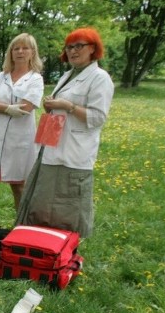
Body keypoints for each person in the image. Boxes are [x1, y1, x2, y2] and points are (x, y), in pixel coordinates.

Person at [19, 27, 114, 238]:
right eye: (69, 47)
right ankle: (42, 240)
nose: (73, 51)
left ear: (93, 49)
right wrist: (52, 106)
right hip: (52, 145)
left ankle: (64, 245)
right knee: (43, 200)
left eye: (79, 46)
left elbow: (98, 117)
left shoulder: (100, 78)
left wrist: (68, 106)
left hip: (74, 152)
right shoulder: (68, 75)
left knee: (67, 202)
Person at [0, 33, 45, 222]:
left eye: (25, 48)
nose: (20, 52)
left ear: (32, 52)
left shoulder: (35, 79)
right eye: (16, 48)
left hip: (19, 139)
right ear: (11, 53)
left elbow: (26, 108)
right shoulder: (1, 77)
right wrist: (7, 108)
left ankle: (21, 224)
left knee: (18, 184)